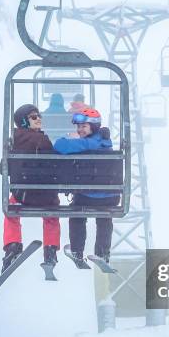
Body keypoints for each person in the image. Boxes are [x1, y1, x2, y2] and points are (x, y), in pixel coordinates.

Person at [53, 108, 120, 265]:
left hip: (86, 196)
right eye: (78, 127)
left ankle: (77, 251)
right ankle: (102, 253)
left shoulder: (88, 143)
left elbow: (59, 146)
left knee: (76, 215)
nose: (79, 130)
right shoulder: (104, 142)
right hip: (110, 196)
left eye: (83, 126)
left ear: (94, 126)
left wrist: (71, 138)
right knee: (104, 218)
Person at [2, 104, 60, 272]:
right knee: (52, 214)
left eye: (39, 116)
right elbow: (55, 164)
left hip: (23, 196)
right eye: (34, 117)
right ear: (24, 122)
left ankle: (12, 245)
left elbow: (2, 169)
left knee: (10, 211)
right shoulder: (43, 140)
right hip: (46, 198)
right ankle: (50, 251)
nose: (39, 119)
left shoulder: (12, 143)